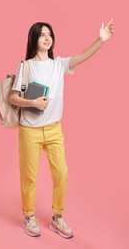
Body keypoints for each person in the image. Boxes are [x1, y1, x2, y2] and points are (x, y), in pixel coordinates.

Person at [8, 20, 114, 238]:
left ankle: (58, 218)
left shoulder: (59, 64)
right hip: (30, 131)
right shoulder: (26, 66)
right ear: (33, 39)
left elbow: (82, 57)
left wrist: (101, 40)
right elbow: (13, 97)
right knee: (29, 177)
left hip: (55, 129)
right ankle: (28, 217)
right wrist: (34, 103)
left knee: (62, 173)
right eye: (42, 35)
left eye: (50, 34)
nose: (47, 38)